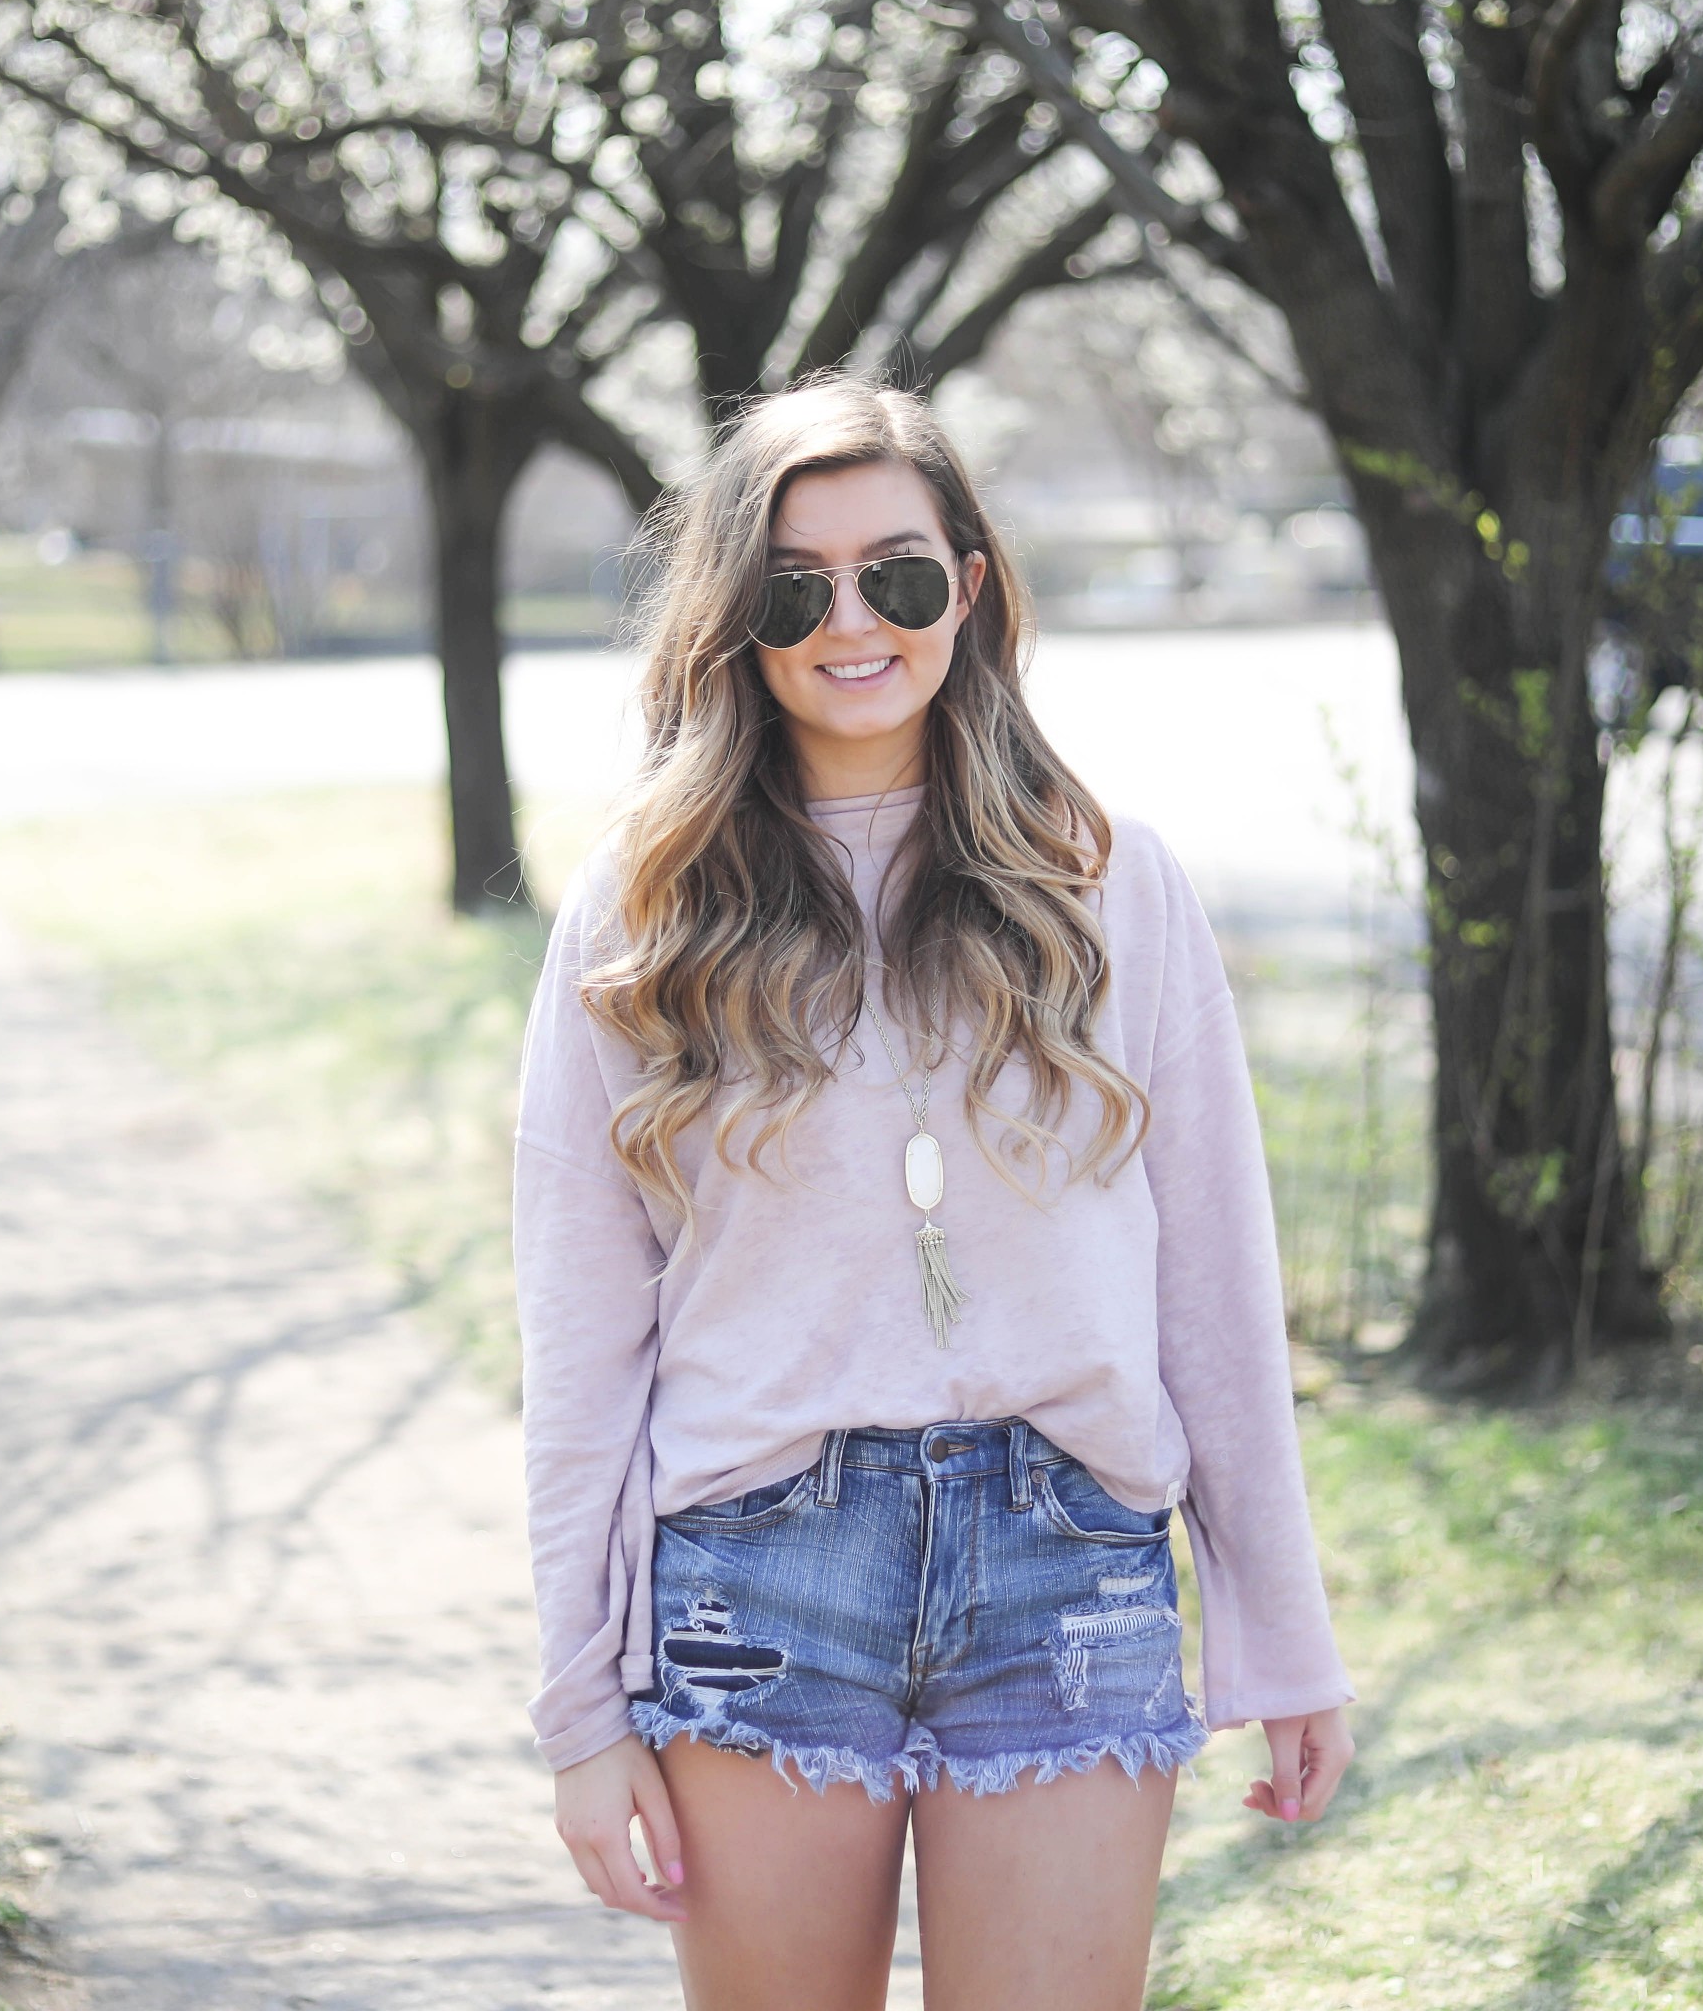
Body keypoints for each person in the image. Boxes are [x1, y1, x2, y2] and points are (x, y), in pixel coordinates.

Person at [514, 375, 1354, 2011]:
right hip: (758, 1570)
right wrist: (583, 1712)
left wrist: (1284, 1630)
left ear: (968, 585)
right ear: (735, 619)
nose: (853, 622)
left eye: (897, 573)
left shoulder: (1109, 880)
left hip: (1071, 1561)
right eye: (793, 583)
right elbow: (580, 1336)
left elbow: (1214, 1289)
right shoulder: (643, 906)